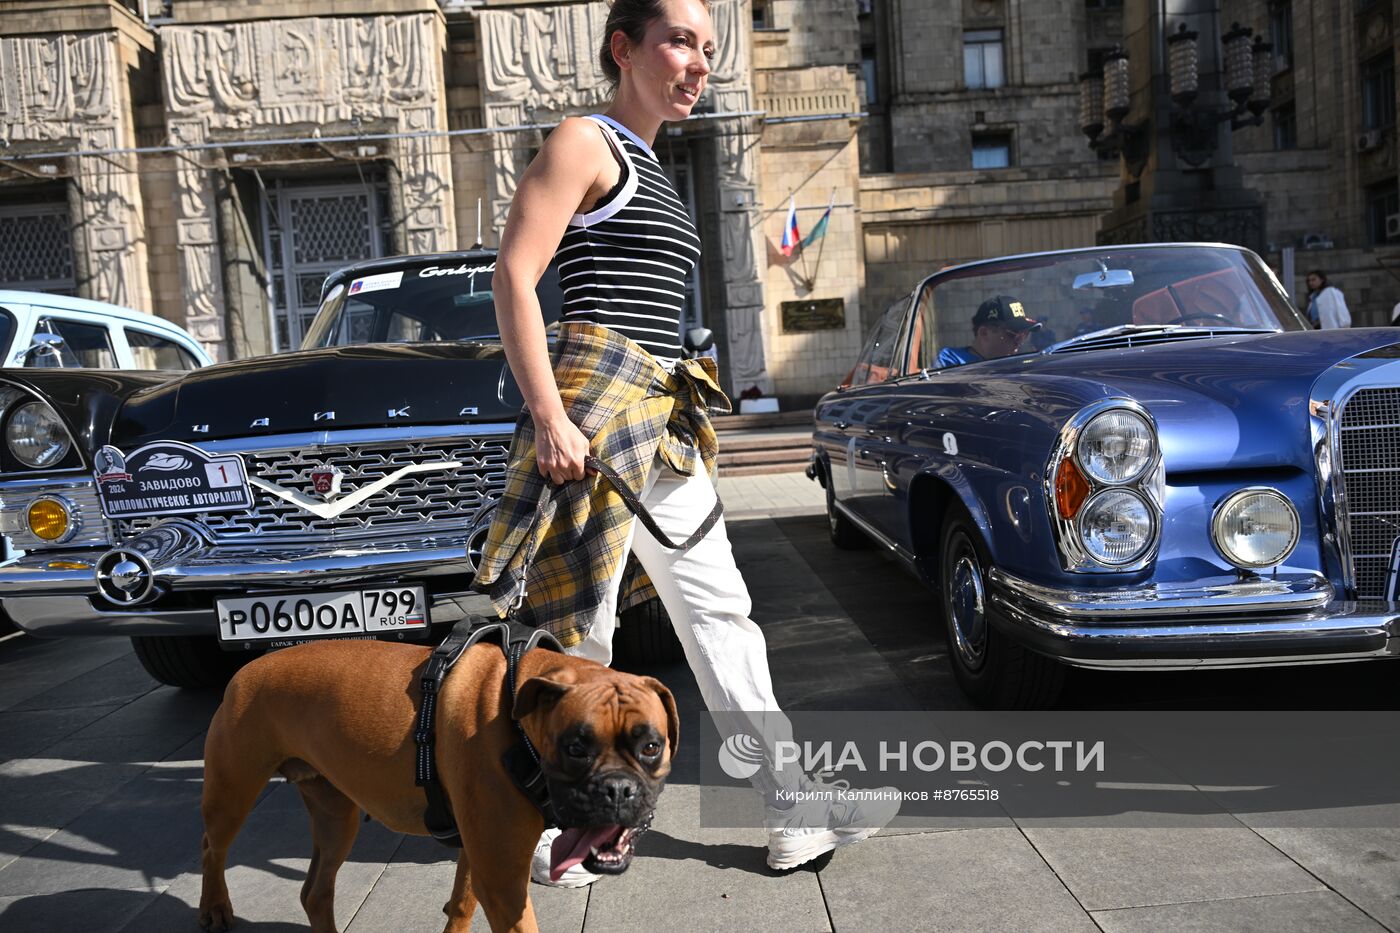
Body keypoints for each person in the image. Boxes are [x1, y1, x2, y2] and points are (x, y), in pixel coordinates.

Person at [475, 0, 899, 890]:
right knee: (578, 638)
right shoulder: (585, 141)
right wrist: (549, 416)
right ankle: (563, 832)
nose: (698, 62)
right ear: (623, 48)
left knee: (720, 617)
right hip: (592, 422)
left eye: (709, 47)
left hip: (655, 426)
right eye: (679, 41)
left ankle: (790, 810)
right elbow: (513, 273)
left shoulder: (655, 165)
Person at [936, 295, 1041, 368]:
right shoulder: (950, 361)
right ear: (984, 333)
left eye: (1024, 335)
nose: (1019, 343)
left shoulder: (1017, 364)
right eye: (1013, 335)